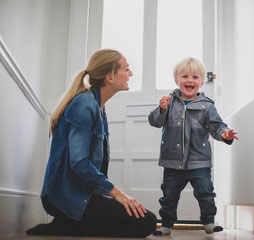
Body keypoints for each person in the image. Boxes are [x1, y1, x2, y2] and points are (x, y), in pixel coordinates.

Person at [27, 49, 157, 238]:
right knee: (146, 223)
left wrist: (109, 197)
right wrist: (117, 194)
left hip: (84, 193)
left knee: (144, 222)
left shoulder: (98, 107)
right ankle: (66, 224)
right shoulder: (84, 105)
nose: (131, 74)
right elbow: (79, 163)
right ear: (110, 76)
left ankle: (66, 224)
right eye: (126, 69)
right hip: (63, 196)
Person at [148, 57, 238, 235]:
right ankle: (166, 224)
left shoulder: (207, 106)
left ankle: (209, 222)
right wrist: (161, 109)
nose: (190, 80)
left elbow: (216, 126)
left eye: (195, 77)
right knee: (169, 195)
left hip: (199, 162)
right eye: (185, 76)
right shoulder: (169, 102)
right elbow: (155, 122)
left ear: (202, 82)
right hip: (173, 162)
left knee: (205, 192)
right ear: (177, 80)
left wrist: (224, 134)